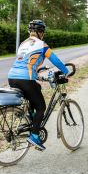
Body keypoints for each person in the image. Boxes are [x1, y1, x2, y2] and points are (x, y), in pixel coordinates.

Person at [8, 19, 69, 151]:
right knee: (41, 106)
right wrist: (66, 71)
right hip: (25, 79)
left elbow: (25, 62)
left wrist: (37, 72)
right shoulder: (42, 44)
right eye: (43, 32)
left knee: (37, 88)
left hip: (12, 77)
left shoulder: (23, 43)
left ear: (30, 31)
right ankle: (35, 136)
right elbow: (55, 60)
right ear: (41, 32)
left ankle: (30, 118)